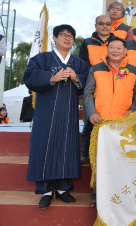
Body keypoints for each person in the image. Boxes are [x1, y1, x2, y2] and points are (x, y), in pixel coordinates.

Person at [24, 24, 89, 210]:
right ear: (54, 38)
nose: (67, 38)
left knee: (66, 147)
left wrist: (77, 78)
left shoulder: (78, 63)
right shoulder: (41, 58)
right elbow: (28, 76)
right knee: (43, 146)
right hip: (45, 112)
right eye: (63, 35)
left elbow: (89, 81)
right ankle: (44, 191)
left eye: (71, 36)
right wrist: (52, 77)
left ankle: (63, 188)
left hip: (68, 113)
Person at [83, 36, 136, 207]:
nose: (115, 51)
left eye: (119, 48)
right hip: (102, 123)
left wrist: (132, 110)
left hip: (124, 124)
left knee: (124, 161)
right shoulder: (96, 68)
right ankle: (97, 196)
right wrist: (91, 113)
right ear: (107, 51)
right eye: (112, 47)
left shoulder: (133, 70)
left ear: (125, 51)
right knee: (100, 161)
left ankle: (122, 195)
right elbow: (87, 94)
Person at [79, 15, 115, 165]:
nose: (105, 26)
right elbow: (82, 65)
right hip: (93, 84)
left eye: (108, 24)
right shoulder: (87, 43)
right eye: (101, 24)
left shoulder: (116, 42)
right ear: (96, 26)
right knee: (90, 120)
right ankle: (85, 153)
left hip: (112, 86)